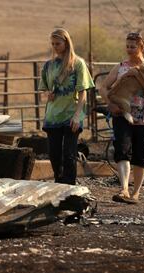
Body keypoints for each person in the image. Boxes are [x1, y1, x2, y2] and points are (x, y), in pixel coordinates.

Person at [99, 32, 144, 203]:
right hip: (122, 114)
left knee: (140, 154)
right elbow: (103, 87)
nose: (130, 49)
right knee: (122, 150)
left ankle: (136, 193)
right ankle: (124, 189)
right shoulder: (121, 67)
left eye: (133, 46)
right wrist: (110, 103)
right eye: (128, 46)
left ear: (141, 47)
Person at [38, 28, 94, 185]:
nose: (55, 47)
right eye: (53, 44)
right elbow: (43, 90)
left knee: (69, 154)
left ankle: (69, 186)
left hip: (71, 114)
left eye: (58, 43)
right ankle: (59, 182)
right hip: (52, 116)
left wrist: (77, 116)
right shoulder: (48, 66)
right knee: (54, 154)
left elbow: (83, 92)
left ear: (66, 43)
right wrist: (47, 94)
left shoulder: (78, 64)